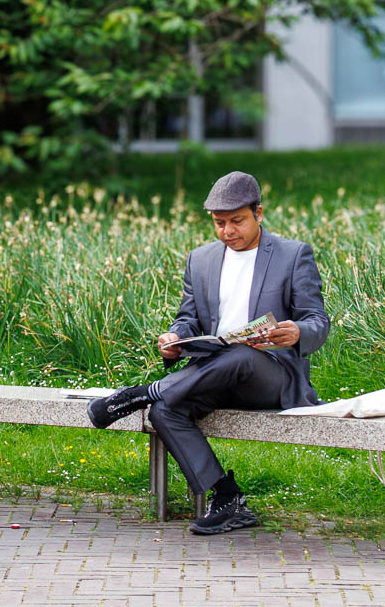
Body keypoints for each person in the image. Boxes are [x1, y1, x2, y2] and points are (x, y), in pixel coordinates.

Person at [86, 171, 331, 535]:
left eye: (237, 222)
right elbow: (188, 320)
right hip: (213, 371)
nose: (228, 231)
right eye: (219, 223)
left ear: (258, 214)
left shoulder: (292, 255)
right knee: (166, 410)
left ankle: (143, 392)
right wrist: (173, 338)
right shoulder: (201, 260)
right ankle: (228, 498)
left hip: (270, 376)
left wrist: (296, 332)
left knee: (243, 355)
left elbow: (317, 321)